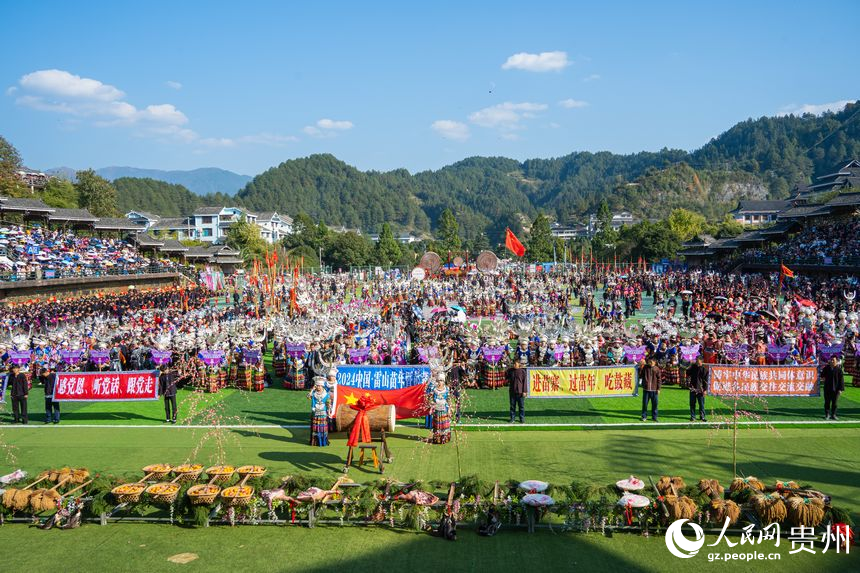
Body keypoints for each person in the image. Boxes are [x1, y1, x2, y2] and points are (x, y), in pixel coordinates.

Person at [821, 356, 845, 420]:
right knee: (827, 402)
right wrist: (822, 378)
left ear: (836, 361)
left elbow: (841, 380)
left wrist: (841, 389)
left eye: (833, 360)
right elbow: (822, 375)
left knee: (835, 403)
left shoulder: (839, 369)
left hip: (836, 389)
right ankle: (827, 414)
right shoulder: (826, 368)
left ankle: (833, 415)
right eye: (831, 360)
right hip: (827, 388)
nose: (832, 361)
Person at [308, 377, 331, 446]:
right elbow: (309, 398)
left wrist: (329, 411)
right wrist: (312, 390)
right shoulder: (314, 394)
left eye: (319, 386)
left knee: (323, 428)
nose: (318, 387)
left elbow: (328, 404)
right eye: (317, 386)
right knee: (316, 428)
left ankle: (323, 441)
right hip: (316, 412)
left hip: (323, 412)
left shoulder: (326, 394)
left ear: (322, 386)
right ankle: (316, 441)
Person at [430, 372, 451, 444]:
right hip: (437, 410)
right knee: (437, 424)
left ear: (444, 381)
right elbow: (431, 399)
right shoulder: (434, 389)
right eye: (439, 381)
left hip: (444, 409)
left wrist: (449, 410)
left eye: (441, 381)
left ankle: (444, 439)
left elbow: (448, 399)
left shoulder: (447, 389)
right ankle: (437, 439)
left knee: (444, 424)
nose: (440, 382)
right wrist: (432, 406)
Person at [639, 355, 662, 422]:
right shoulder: (645, 368)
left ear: (654, 362)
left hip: (654, 390)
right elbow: (640, 375)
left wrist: (659, 389)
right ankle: (644, 416)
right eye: (649, 361)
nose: (650, 362)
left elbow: (659, 379)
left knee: (655, 404)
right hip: (646, 389)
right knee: (645, 404)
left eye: (651, 361)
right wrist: (640, 367)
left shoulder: (657, 369)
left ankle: (654, 417)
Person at [686, 356, 708, 422]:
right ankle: (693, 416)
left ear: (701, 362)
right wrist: (690, 364)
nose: (697, 363)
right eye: (696, 361)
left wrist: (705, 390)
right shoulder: (693, 367)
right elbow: (687, 373)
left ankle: (702, 416)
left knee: (701, 404)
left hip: (700, 389)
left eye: (698, 362)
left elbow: (706, 381)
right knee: (692, 403)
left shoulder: (704, 370)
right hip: (693, 388)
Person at [506, 358, 527, 423]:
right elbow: (506, 377)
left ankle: (522, 418)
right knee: (512, 406)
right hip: (512, 391)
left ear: (519, 364)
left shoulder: (523, 371)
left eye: (515, 364)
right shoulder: (510, 371)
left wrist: (524, 391)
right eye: (513, 364)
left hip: (520, 392)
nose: (514, 365)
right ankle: (512, 418)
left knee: (521, 406)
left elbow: (525, 382)